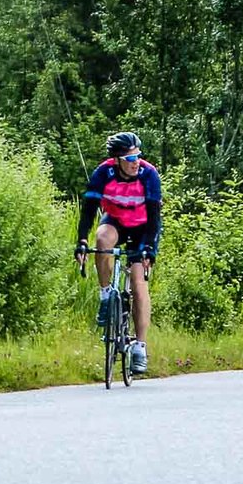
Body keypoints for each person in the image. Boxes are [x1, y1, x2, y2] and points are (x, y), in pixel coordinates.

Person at [76, 130, 162, 376]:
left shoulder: (149, 174)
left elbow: (154, 216)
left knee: (138, 282)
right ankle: (106, 296)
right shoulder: (103, 173)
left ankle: (140, 347)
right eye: (130, 159)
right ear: (117, 160)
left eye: (138, 157)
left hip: (143, 227)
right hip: (116, 221)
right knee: (102, 239)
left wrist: (149, 248)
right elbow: (89, 211)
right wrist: (81, 241)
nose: (136, 163)